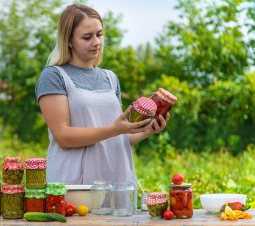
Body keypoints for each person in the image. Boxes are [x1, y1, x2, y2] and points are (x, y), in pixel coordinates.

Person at [35, 4, 169, 185]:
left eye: (99, 34)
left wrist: (147, 130)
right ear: (69, 40)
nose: (96, 42)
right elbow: (63, 136)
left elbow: (119, 138)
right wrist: (116, 129)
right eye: (87, 37)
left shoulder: (110, 78)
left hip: (115, 182)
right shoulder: (53, 76)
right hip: (74, 185)